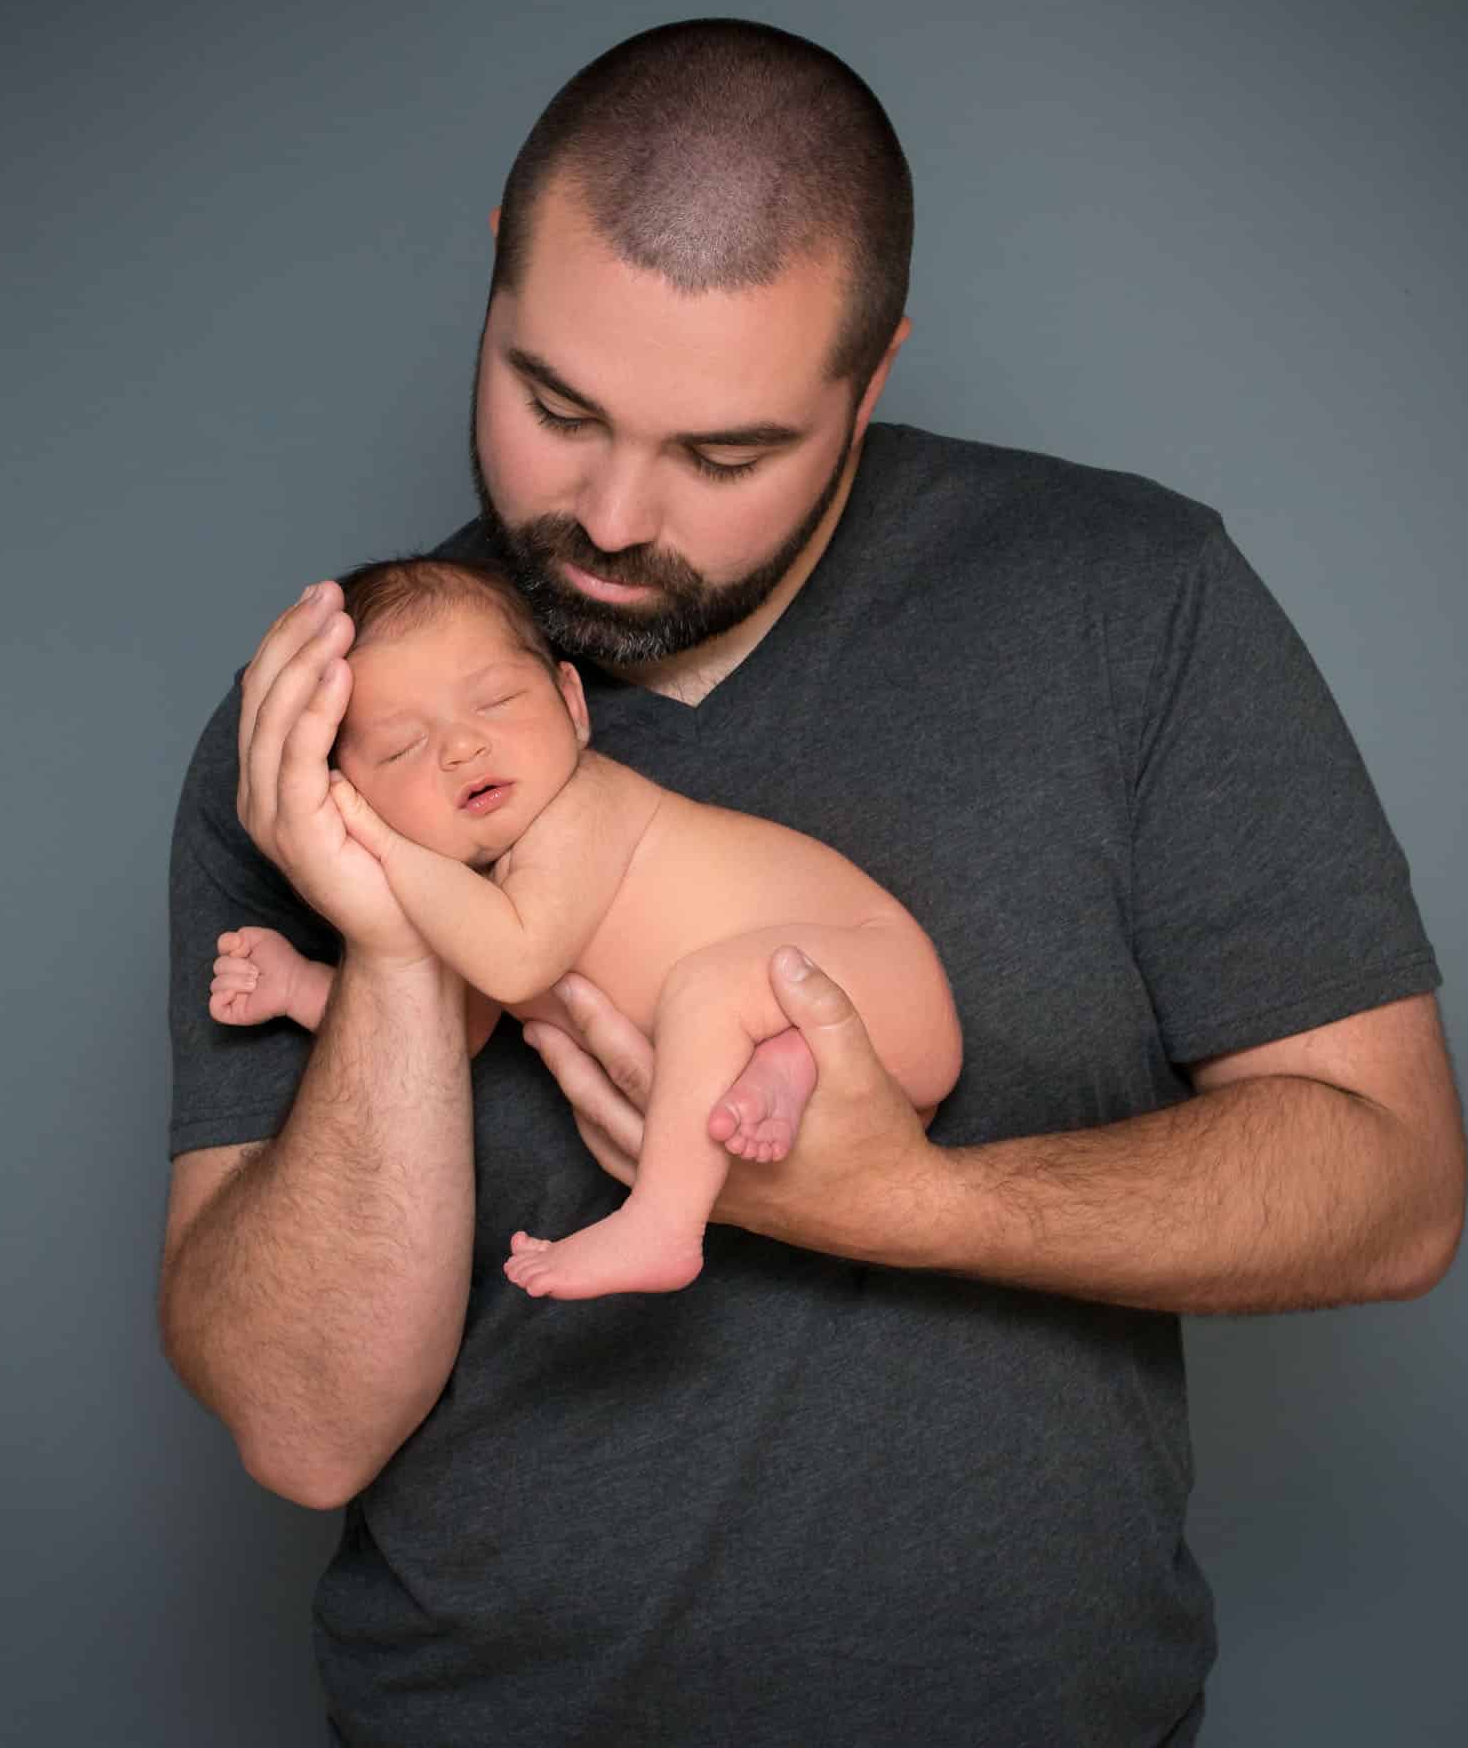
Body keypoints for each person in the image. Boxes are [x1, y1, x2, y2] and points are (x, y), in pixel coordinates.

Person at [158, 17, 1468, 1747]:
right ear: (496, 273)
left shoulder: (1126, 603)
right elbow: (299, 1425)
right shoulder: (342, 725)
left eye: (721, 453)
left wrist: (906, 1202)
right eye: (552, 402)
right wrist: (394, 931)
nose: (611, 514)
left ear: (871, 374)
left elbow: (1389, 1187)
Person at [207, 553, 962, 1298]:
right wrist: (307, 985)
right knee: (726, 998)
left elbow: (515, 963)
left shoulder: (580, 810)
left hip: (875, 980)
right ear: (353, 781)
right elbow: (451, 1030)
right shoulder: (473, 894)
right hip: (844, 1066)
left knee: (712, 985)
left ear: (572, 702)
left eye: (496, 700)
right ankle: (785, 1069)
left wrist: (373, 841)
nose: (462, 746)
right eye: (402, 747)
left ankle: (663, 1223)